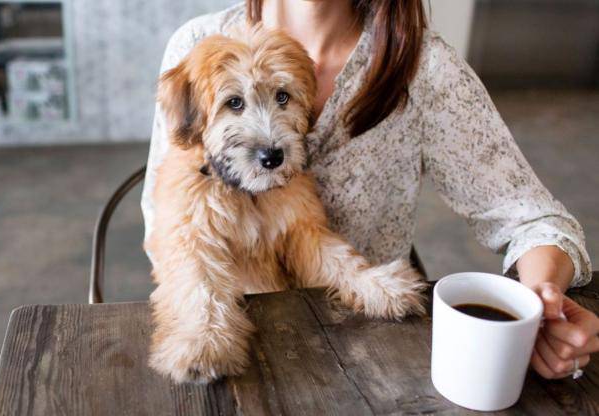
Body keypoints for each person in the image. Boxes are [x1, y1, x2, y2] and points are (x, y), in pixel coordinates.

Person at [141, 0, 597, 379]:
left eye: (283, 98)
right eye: (235, 103)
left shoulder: (423, 70)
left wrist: (542, 302)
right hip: (230, 340)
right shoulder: (195, 45)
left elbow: (532, 219)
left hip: (372, 345)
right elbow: (167, 223)